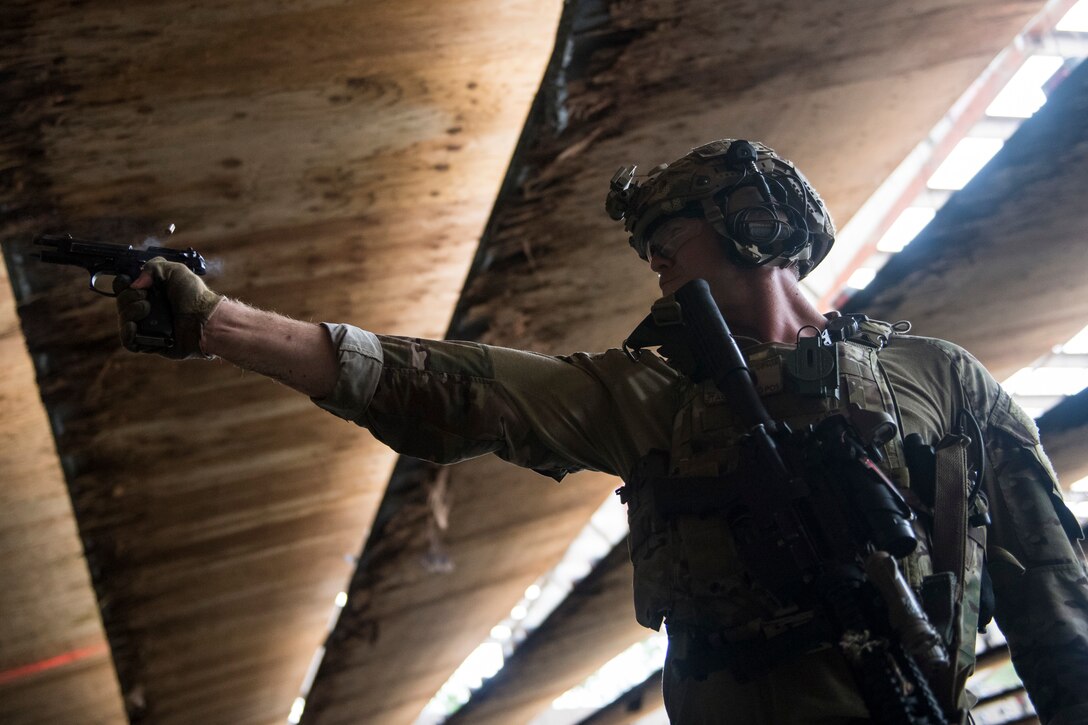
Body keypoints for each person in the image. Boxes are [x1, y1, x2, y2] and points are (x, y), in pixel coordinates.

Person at [116, 139, 1088, 724]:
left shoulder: (943, 379)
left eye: (670, 234)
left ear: (750, 225)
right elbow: (459, 387)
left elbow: (1053, 598)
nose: (653, 258)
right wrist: (218, 323)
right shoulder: (656, 395)